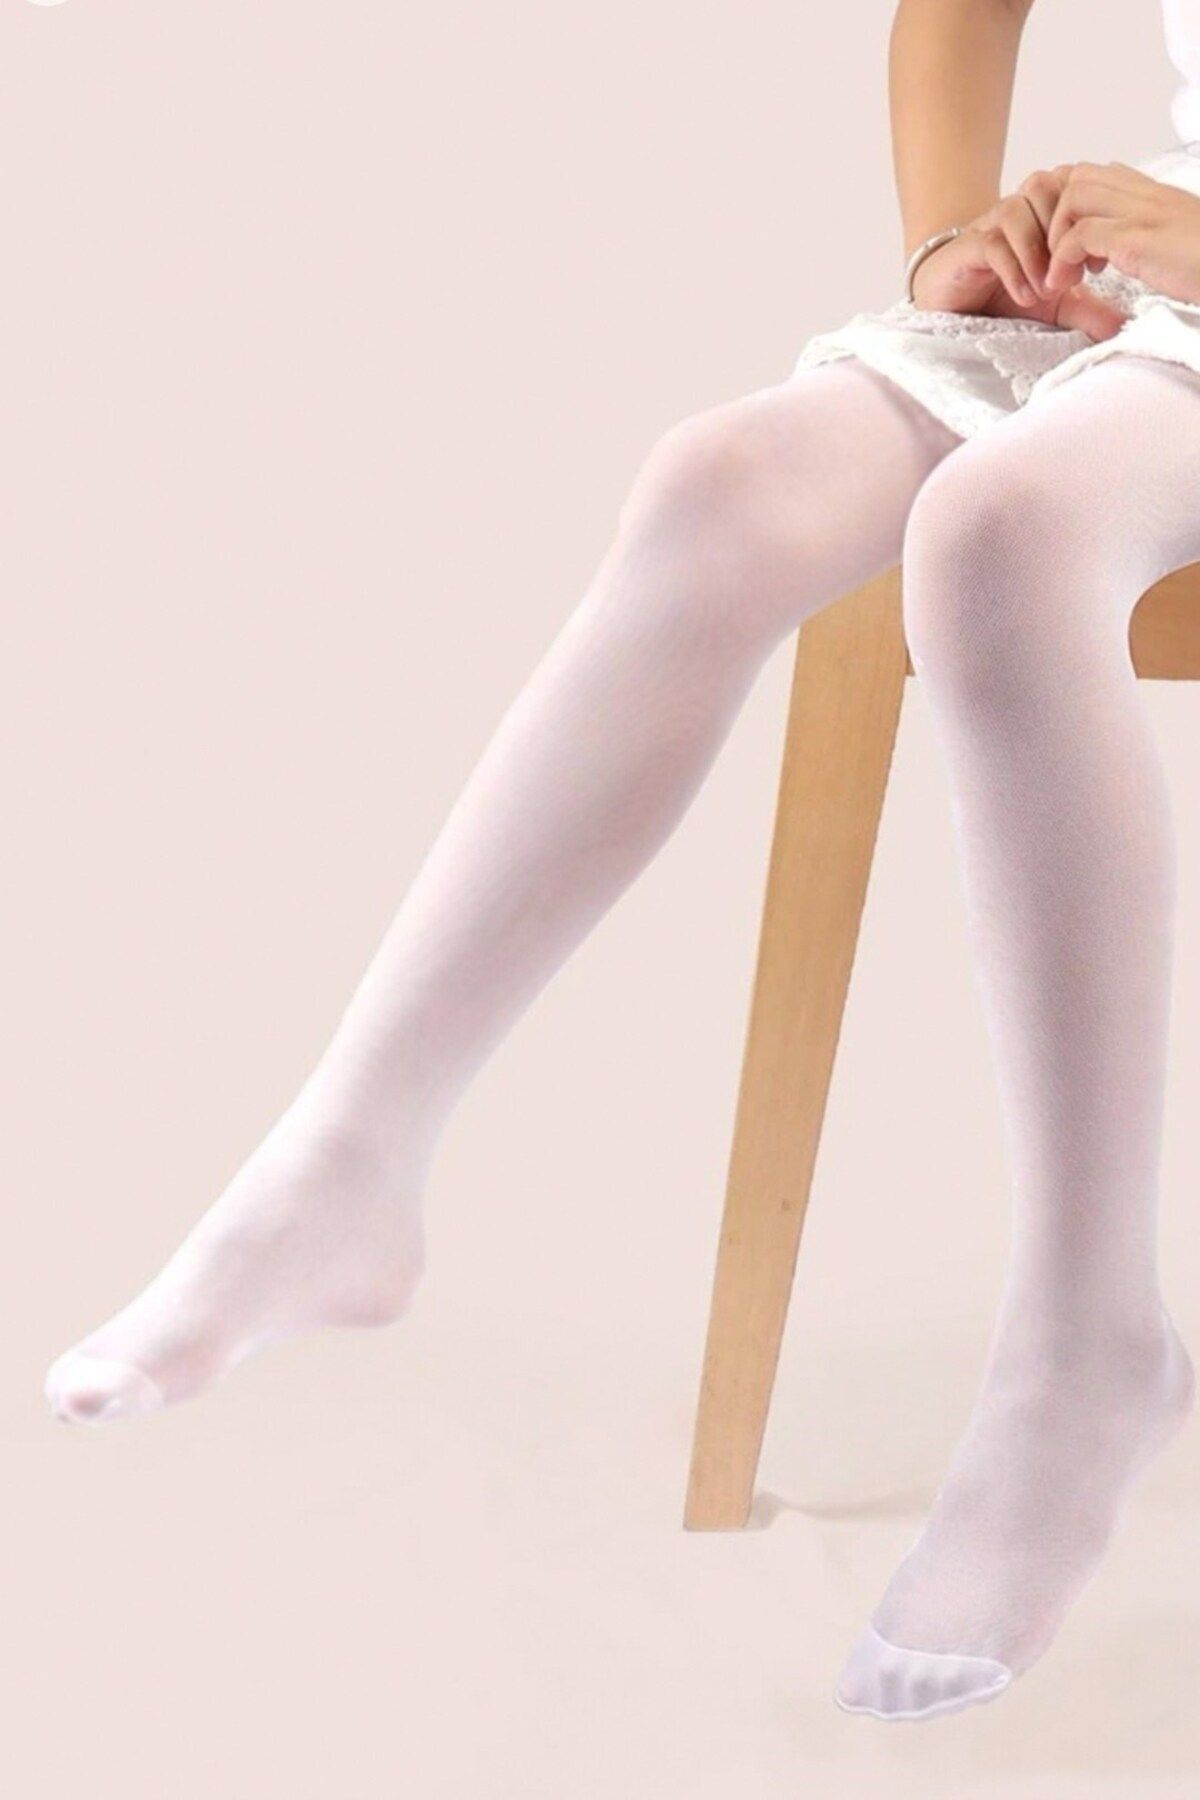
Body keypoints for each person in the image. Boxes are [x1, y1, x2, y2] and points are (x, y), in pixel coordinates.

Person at [43, 0, 1200, 1724]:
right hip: (1155, 279)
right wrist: (960, 246)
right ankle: (345, 1161)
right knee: (721, 482)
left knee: (1005, 532)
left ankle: (1086, 1339)